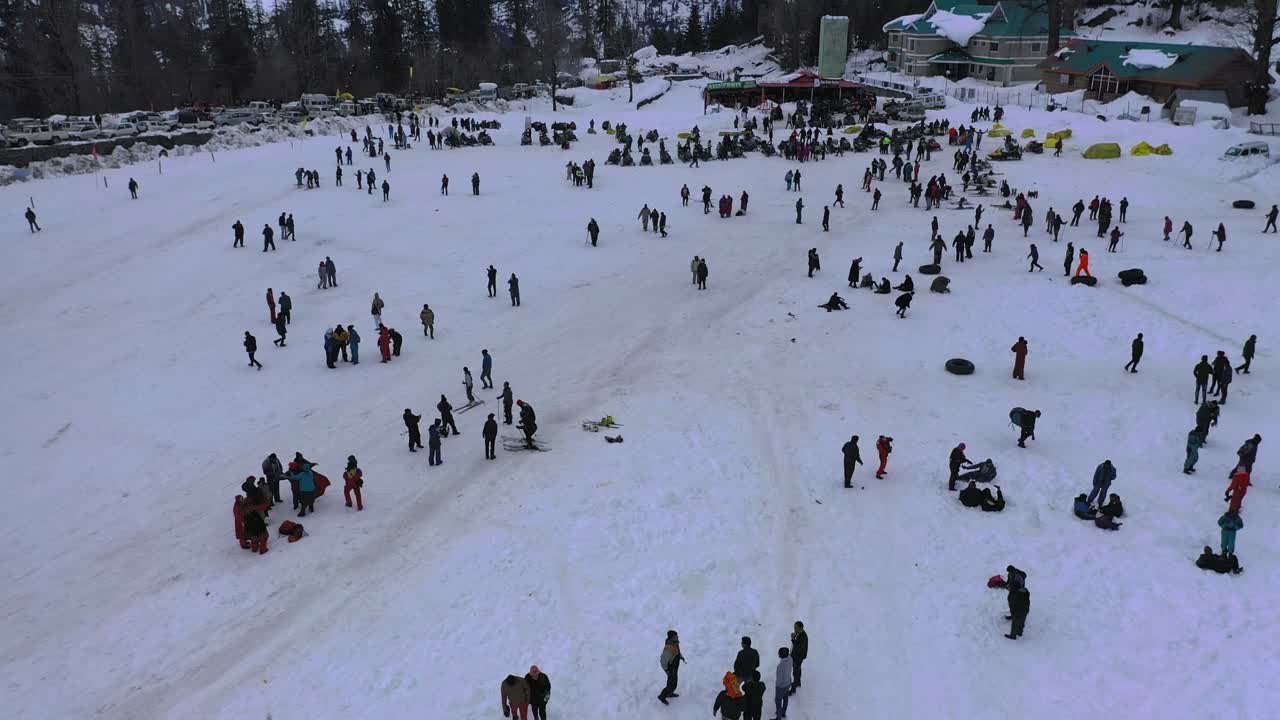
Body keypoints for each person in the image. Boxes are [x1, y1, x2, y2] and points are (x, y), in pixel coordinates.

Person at [658, 630, 683, 705]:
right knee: (671, 684)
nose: (677, 637)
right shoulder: (668, 648)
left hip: (675, 668)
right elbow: (663, 661)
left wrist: (680, 657)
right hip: (671, 669)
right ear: (671, 638)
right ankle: (662, 696)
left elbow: (677, 652)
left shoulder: (674, 643)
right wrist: (667, 671)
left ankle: (670, 693)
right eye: (676, 636)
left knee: (674, 683)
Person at [1005, 575, 1030, 640]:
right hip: (1025, 610)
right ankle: (1020, 632)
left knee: (1015, 623)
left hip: (1017, 611)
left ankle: (1013, 636)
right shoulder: (1025, 590)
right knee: (1022, 621)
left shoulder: (1014, 589)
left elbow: (1013, 601)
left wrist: (1013, 611)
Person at [788, 622, 807, 694]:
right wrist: (795, 636)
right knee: (798, 669)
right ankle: (798, 682)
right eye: (794, 627)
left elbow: (799, 648)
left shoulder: (803, 637)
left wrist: (793, 639)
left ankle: (793, 689)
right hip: (796, 656)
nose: (794, 629)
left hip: (798, 657)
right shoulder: (799, 633)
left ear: (801, 628)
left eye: (796, 628)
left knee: (795, 672)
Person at [774, 648, 792, 719]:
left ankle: (778, 717)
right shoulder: (790, 659)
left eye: (779, 653)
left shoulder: (780, 666)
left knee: (778, 701)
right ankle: (783, 712)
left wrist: (777, 686)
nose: (778, 653)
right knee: (785, 698)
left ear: (781, 655)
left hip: (781, 687)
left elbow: (779, 680)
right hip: (788, 683)